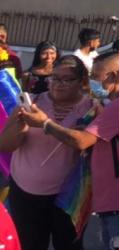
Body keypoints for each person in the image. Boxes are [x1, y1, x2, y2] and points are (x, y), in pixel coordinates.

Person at [19, 51, 119, 250]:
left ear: (112, 77)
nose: (91, 83)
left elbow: (80, 142)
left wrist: (44, 123)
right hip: (117, 202)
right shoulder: (117, 104)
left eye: (96, 76)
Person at [0, 55, 96, 250]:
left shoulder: (92, 109)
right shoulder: (32, 103)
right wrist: (20, 126)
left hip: (70, 198)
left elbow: (82, 143)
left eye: (67, 79)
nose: (58, 84)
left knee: (69, 246)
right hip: (26, 193)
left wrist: (44, 123)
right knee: (30, 245)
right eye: (54, 77)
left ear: (82, 81)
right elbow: (5, 145)